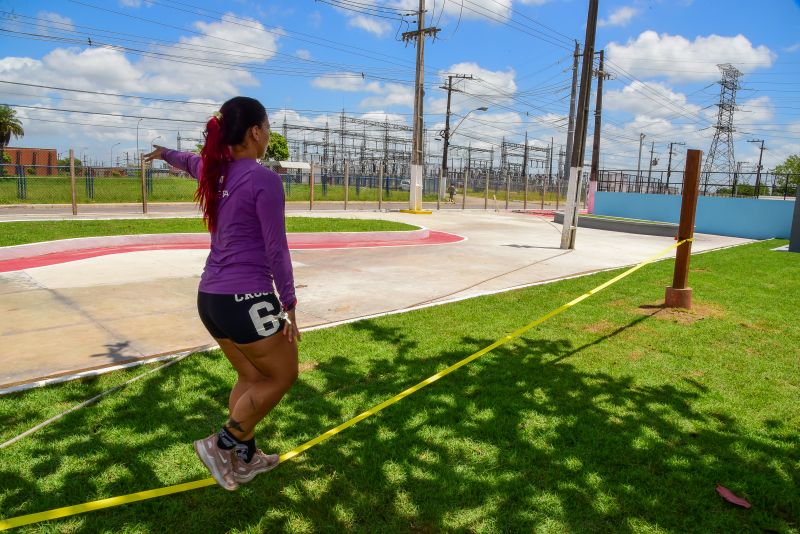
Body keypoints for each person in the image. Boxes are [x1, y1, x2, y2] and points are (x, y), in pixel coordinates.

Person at [144, 96, 300, 491]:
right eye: (267, 127)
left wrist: (165, 153)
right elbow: (276, 247)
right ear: (254, 132)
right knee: (282, 375)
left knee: (251, 374)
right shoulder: (263, 178)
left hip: (211, 299)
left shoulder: (215, 173)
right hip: (245, 297)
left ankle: (245, 460)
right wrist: (290, 304)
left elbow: (188, 161)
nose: (269, 135)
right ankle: (222, 443)